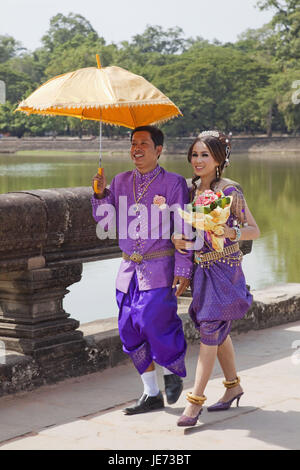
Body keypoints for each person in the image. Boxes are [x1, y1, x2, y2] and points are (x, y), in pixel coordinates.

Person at [91, 125, 193, 415]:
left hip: (160, 267)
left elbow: (183, 226)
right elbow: (105, 223)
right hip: (127, 270)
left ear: (158, 150)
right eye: (133, 143)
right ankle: (150, 393)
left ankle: (172, 370)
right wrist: (100, 195)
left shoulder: (173, 183)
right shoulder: (120, 181)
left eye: (143, 144)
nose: (136, 149)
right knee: (128, 329)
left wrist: (184, 267)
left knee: (154, 320)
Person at [172, 130, 260, 427]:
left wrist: (229, 232)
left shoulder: (230, 191)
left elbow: (253, 230)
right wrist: (180, 241)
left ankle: (194, 402)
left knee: (210, 329)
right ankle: (233, 386)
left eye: (204, 155)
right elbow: (192, 236)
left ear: (219, 159)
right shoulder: (191, 190)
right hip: (201, 270)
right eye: (195, 154)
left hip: (225, 269)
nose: (198, 160)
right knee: (216, 329)